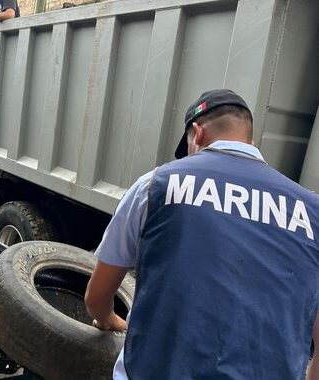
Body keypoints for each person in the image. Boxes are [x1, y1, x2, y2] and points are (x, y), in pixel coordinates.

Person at [85, 89, 319, 380]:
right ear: (251, 141)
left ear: (197, 134)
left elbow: (96, 297)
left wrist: (109, 319)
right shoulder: (313, 211)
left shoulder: (156, 185)